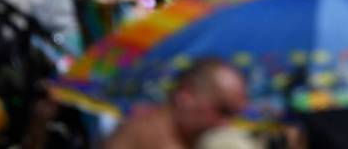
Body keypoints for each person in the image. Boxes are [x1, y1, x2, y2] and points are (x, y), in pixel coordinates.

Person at [103, 59, 248, 149]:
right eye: (223, 110)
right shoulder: (145, 134)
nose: (225, 124)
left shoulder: (185, 137)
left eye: (233, 115)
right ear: (186, 95)